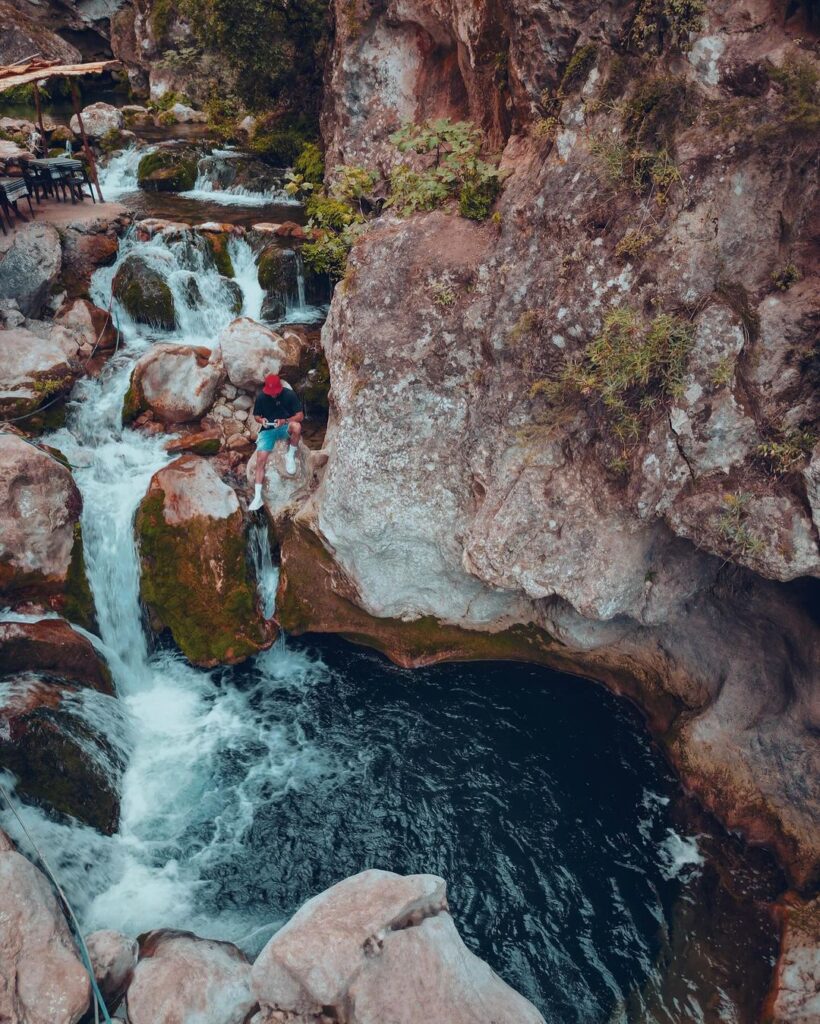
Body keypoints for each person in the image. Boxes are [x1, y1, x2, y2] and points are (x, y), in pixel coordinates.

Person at [248, 373, 303, 510]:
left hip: (285, 426)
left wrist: (285, 421)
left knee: (297, 427)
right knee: (261, 460)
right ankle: (257, 497)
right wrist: (262, 421)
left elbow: (300, 416)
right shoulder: (261, 397)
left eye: (275, 392)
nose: (273, 395)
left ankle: (290, 454)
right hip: (268, 430)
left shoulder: (289, 395)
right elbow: (256, 416)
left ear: (280, 388)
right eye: (270, 392)